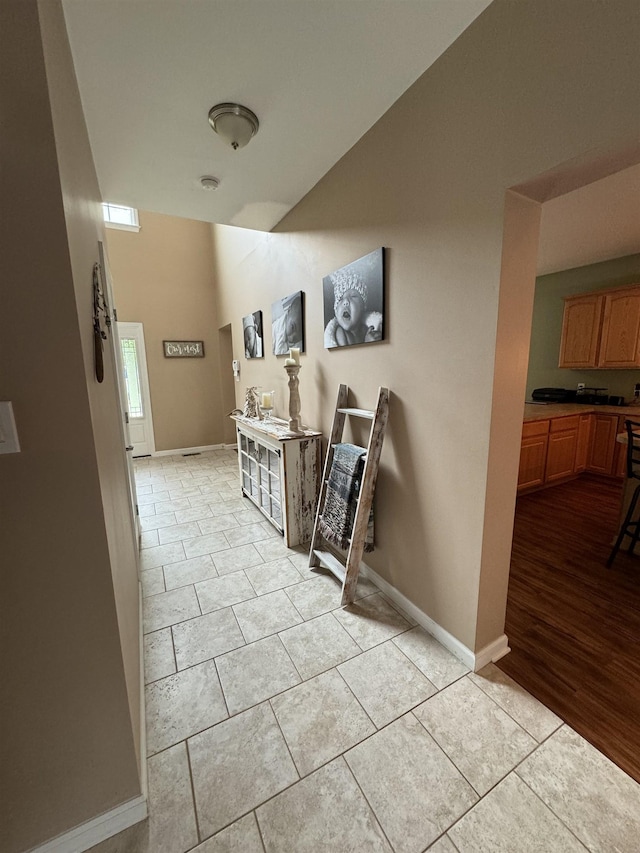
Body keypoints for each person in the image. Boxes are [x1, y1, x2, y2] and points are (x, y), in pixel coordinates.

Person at [324, 272, 369, 347]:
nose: (345, 302)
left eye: (353, 296)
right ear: (336, 311)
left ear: (363, 306)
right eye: (340, 299)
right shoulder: (340, 333)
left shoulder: (366, 329)